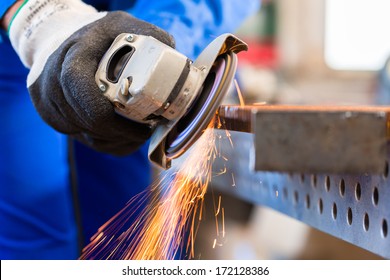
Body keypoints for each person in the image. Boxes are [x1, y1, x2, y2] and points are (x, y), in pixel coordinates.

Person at [0, 0, 259, 259]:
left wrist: (155, 45)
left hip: (134, 25)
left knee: (122, 238)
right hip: (11, 42)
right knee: (33, 235)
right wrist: (34, 15)